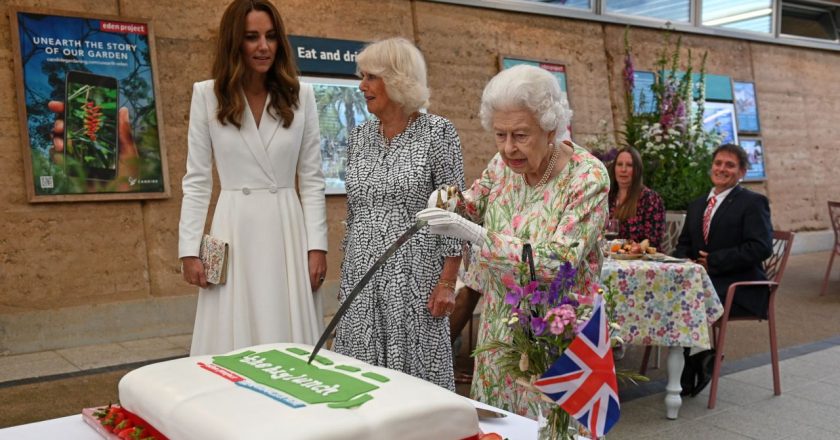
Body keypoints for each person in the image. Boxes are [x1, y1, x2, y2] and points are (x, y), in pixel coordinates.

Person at [418, 64, 609, 417]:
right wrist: (445, 199)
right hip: (500, 327)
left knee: (551, 427)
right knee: (499, 425)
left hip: (557, 331)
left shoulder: (587, 176)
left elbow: (559, 260)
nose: (508, 148)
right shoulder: (502, 164)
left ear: (550, 128)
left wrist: (475, 234)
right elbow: (472, 202)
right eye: (500, 135)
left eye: (520, 135)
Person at [179, 0, 327, 356]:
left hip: (287, 228)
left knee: (288, 328)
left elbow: (311, 178)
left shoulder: (301, 95)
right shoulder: (207, 95)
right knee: (232, 336)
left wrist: (317, 246)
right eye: (252, 37)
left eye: (271, 36)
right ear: (234, 42)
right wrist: (189, 249)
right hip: (233, 227)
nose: (264, 46)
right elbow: (197, 179)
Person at [332, 38, 465, 391]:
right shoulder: (359, 136)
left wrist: (448, 282)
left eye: (371, 77)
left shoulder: (439, 132)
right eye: (363, 77)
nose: (362, 86)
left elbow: (452, 210)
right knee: (361, 379)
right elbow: (355, 209)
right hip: (361, 276)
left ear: (398, 79)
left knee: (414, 382)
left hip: (415, 278)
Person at [673, 143, 772, 396]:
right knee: (669, 294)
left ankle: (690, 369)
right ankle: (699, 357)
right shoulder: (697, 205)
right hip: (702, 285)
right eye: (718, 163)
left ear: (742, 172)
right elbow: (683, 245)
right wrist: (688, 261)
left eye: (730, 165)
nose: (722, 169)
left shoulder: (753, 202)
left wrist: (714, 260)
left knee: (687, 300)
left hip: (740, 287)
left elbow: (761, 248)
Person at [608, 146, 665, 248]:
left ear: (637, 170)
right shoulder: (608, 197)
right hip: (611, 257)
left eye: (629, 165)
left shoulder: (650, 198)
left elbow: (653, 239)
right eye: (619, 164)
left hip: (641, 260)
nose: (623, 169)